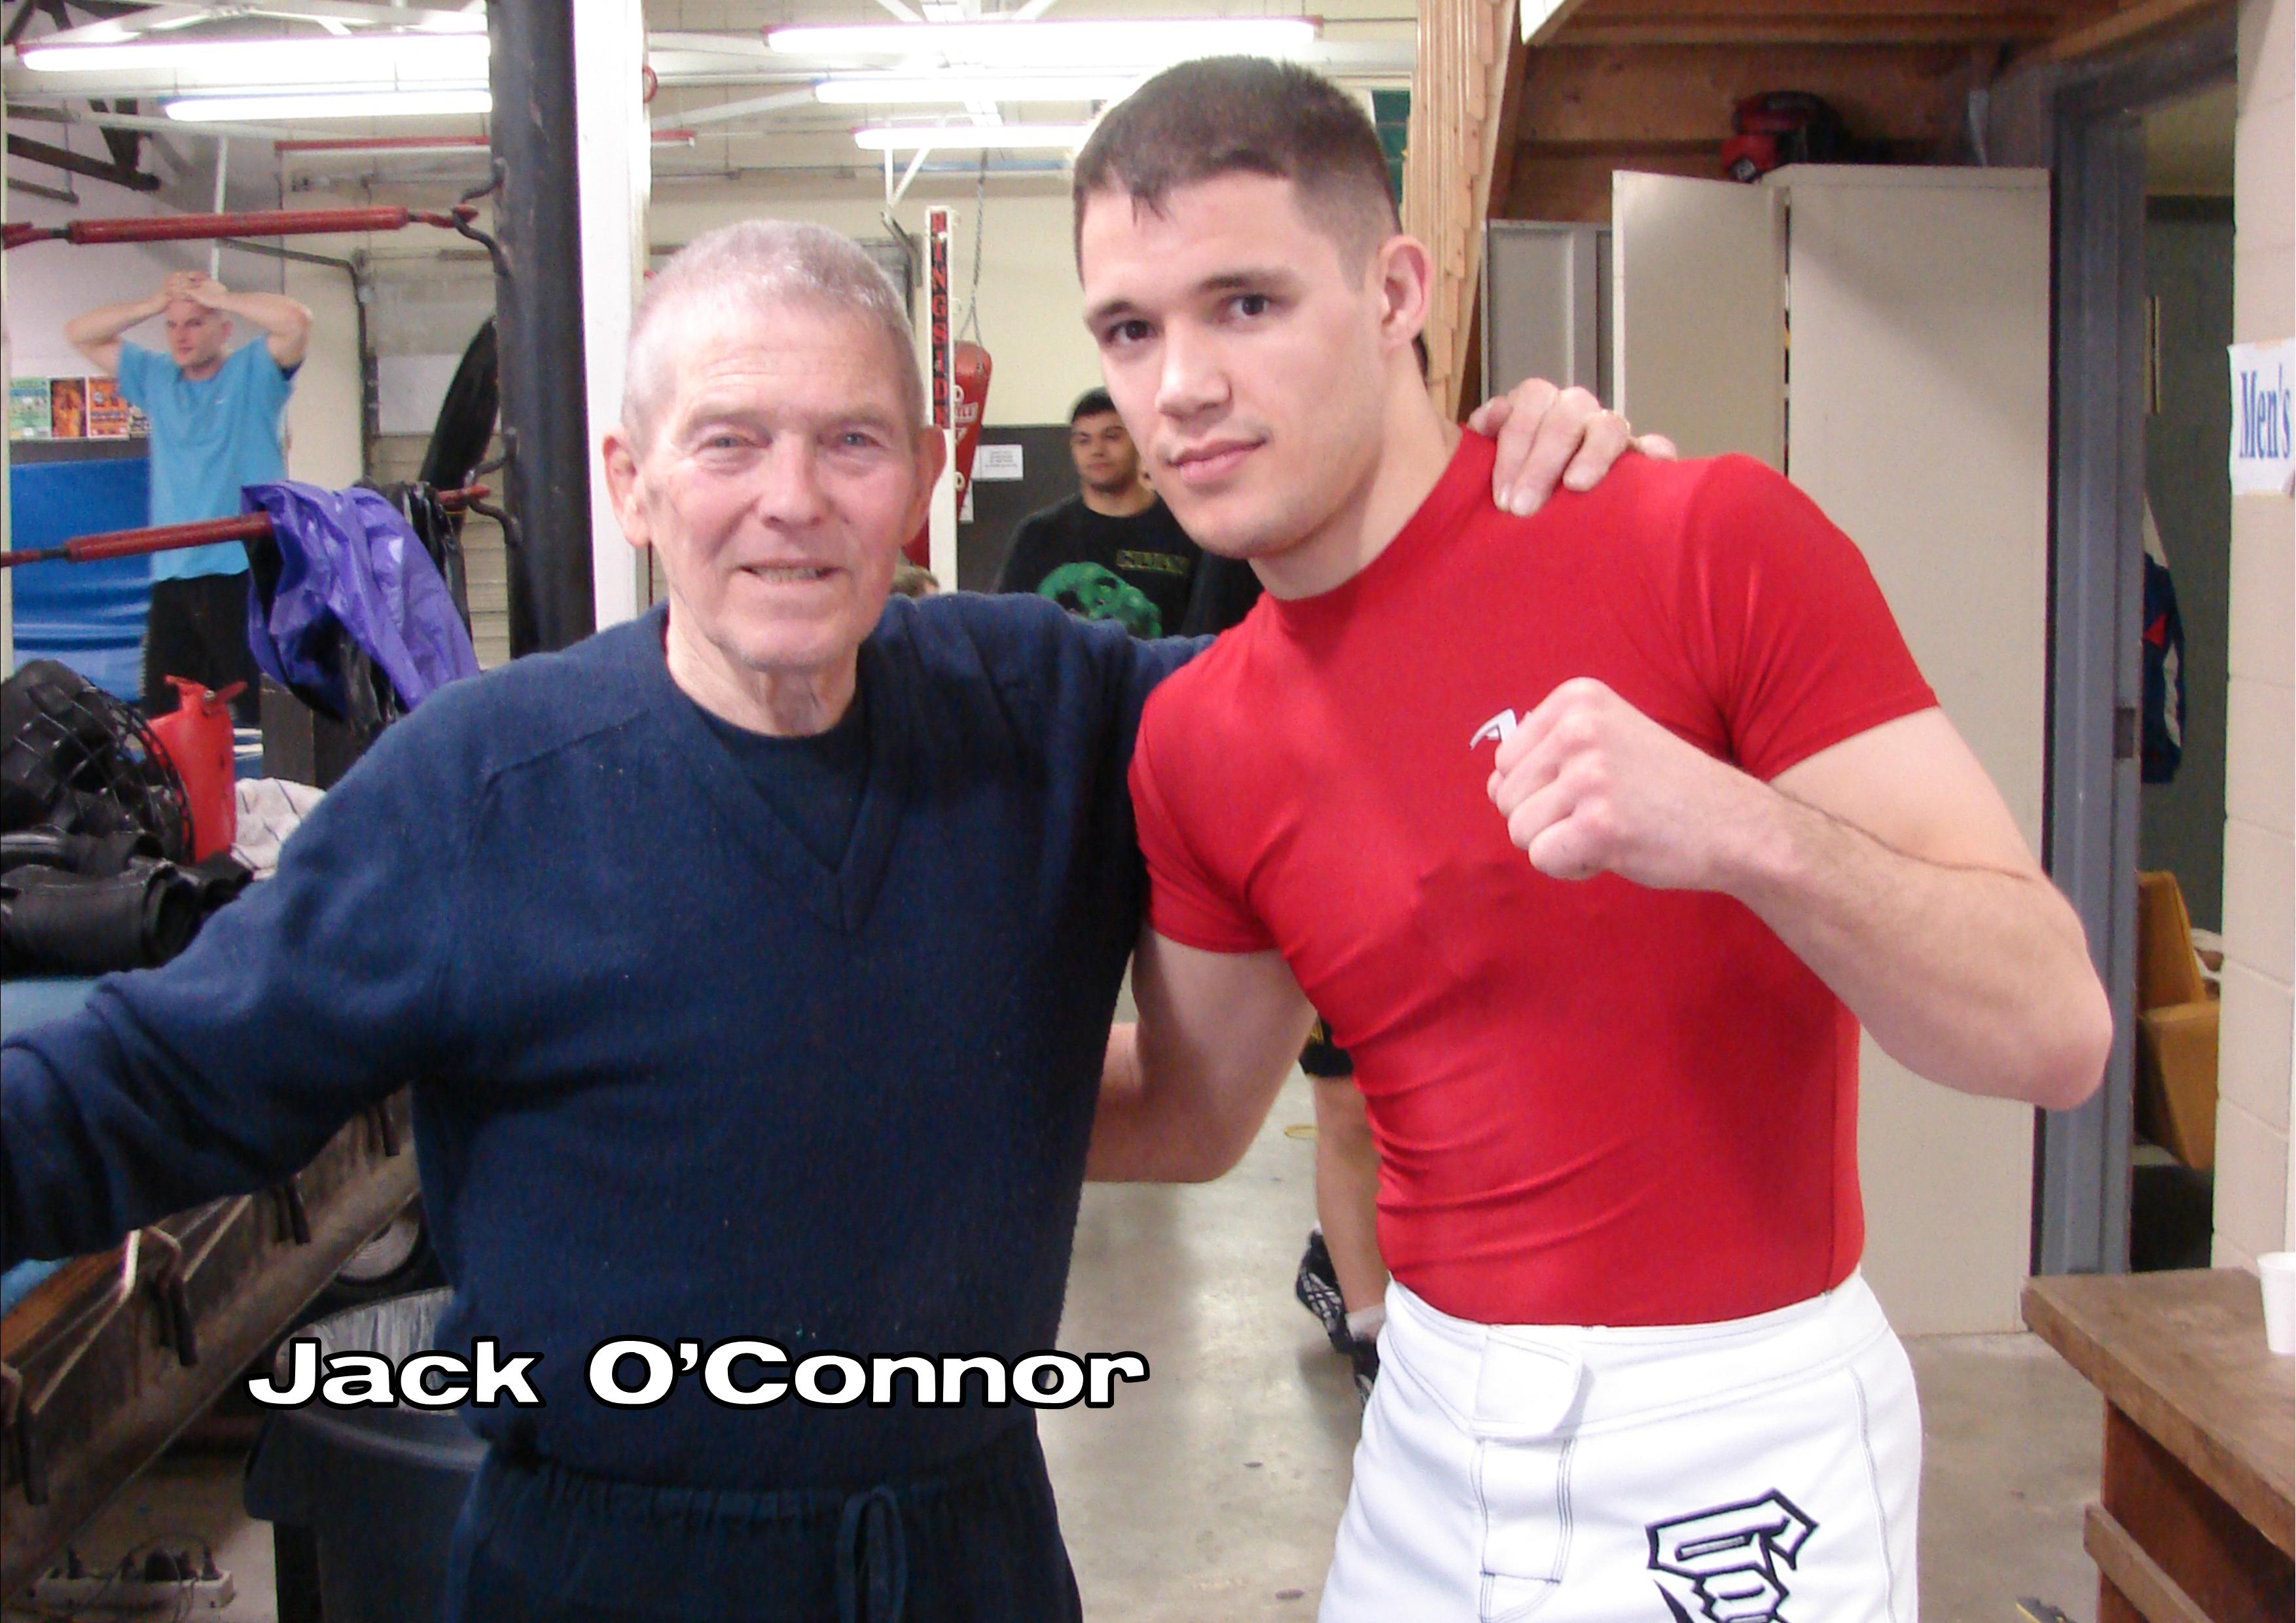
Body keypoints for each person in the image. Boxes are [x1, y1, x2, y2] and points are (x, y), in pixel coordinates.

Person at [5, 220, 1643, 1622]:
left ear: (920, 476)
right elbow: (152, 1086)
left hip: (969, 1546)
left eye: (850, 442)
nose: (790, 498)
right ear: (635, 484)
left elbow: (1340, 699)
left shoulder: (1048, 709)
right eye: (728, 442)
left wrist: (1490, 503)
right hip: (606, 1562)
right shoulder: (480, 792)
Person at [1078, 58, 2113, 1621]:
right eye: (1130, 329)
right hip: (1429, 1432)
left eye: (1245, 304)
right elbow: (1194, 1115)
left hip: (1737, 1438)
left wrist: (1744, 829)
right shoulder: (1200, 734)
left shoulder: (1700, 538)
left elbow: (2055, 1027)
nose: (1181, 388)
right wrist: (820, 1089)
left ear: (1395, 291)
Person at [65, 271, 314, 722]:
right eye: (173, 325)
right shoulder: (156, 376)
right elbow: (79, 332)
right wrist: (154, 303)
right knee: (164, 722)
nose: (181, 336)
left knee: (268, 715)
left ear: (224, 329)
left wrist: (225, 297)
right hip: (174, 573)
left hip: (245, 571)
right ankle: (172, 794)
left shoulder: (254, 371)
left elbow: (296, 321)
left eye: (196, 323)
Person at [994, 387, 1199, 637]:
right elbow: (1006, 631)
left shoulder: (1188, 529)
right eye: (1084, 440)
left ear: (1139, 439)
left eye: (1111, 436)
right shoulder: (1038, 535)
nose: (1097, 449)